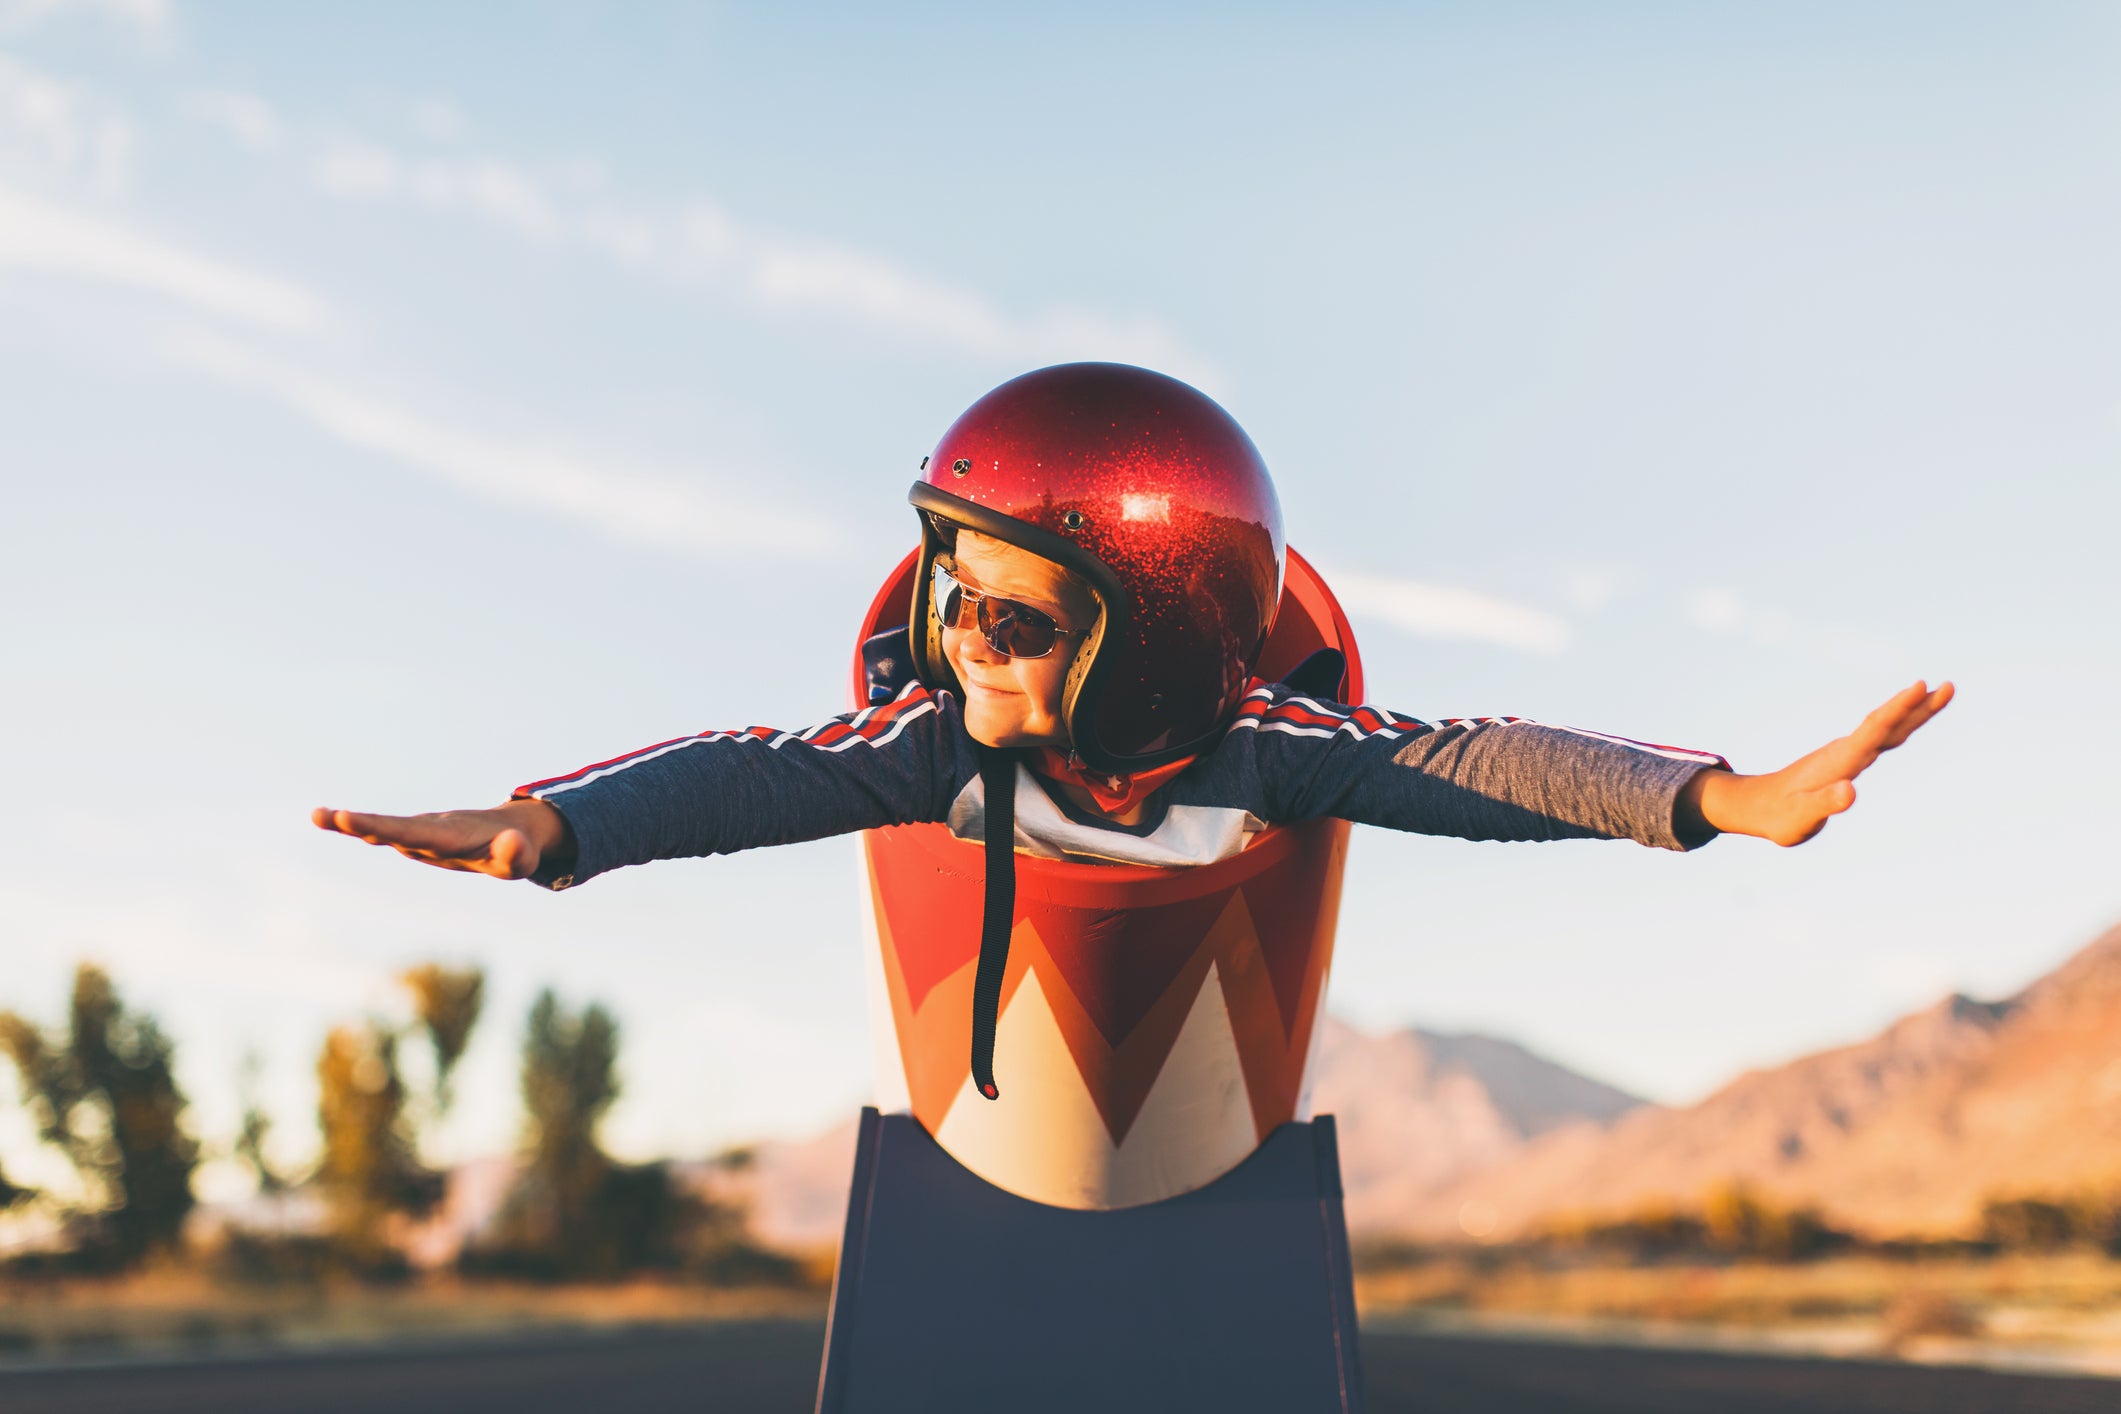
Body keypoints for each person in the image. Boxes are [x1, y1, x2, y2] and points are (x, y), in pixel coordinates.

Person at [314, 363, 1952, 1092]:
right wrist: (553, 825)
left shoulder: (1260, 746)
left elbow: (1473, 759)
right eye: (952, 590)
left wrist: (1722, 800)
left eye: (1010, 616)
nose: (954, 637)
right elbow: (751, 773)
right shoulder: (936, 745)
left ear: (1153, 639)